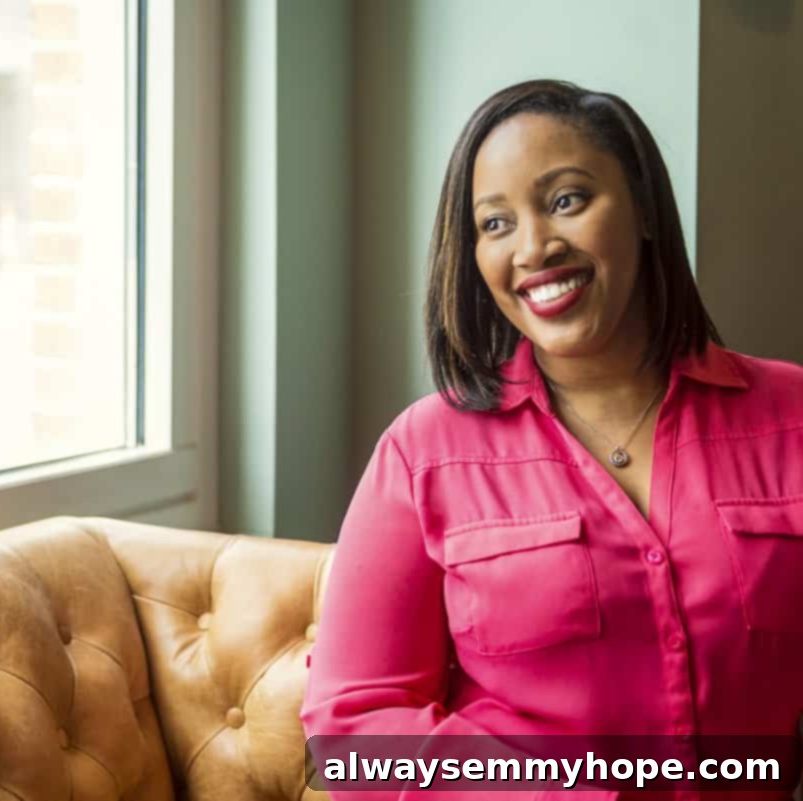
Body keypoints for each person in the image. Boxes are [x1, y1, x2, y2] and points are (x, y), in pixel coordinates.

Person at [299, 79, 803, 799]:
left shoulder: (791, 415)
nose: (534, 248)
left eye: (567, 200)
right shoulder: (424, 451)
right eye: (495, 223)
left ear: (644, 209)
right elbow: (355, 727)